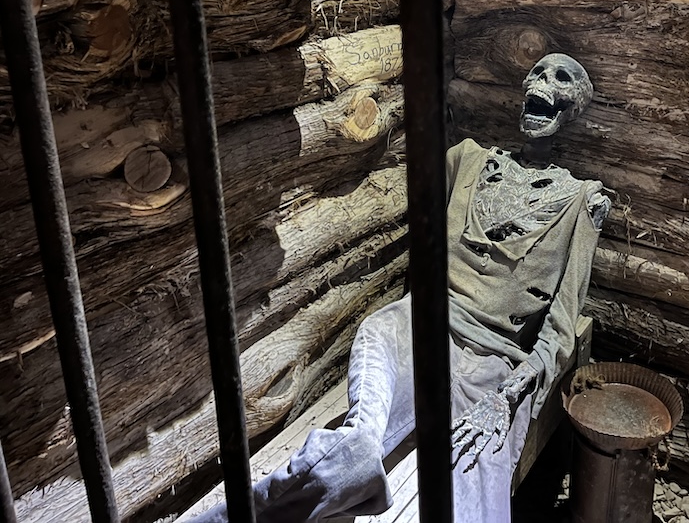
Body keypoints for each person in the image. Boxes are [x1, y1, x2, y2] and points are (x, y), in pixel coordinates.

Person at [192, 53, 609, 523]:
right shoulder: (466, 160)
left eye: (561, 79)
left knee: (471, 492)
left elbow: (560, 328)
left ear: (574, 110)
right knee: (371, 383)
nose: (541, 84)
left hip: (492, 366)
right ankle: (355, 453)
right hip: (419, 326)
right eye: (536, 73)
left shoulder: (582, 201)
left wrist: (509, 395)